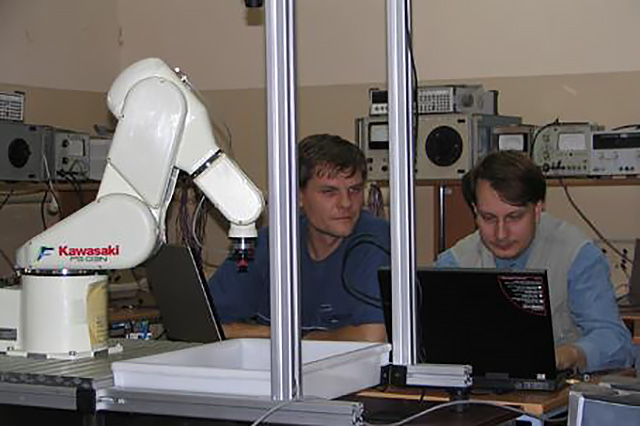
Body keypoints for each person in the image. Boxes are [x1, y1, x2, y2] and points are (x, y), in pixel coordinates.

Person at [436, 150, 634, 373]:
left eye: (514, 217)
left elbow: (614, 340)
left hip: (560, 391)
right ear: (475, 211)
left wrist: (569, 355)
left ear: (538, 209)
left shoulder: (577, 255)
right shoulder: (454, 263)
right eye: (488, 218)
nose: (501, 234)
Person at [208, 134, 390, 342]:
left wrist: (287, 339)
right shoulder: (270, 245)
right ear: (298, 196)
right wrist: (275, 335)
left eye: (354, 190)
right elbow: (205, 322)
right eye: (329, 192)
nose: (346, 203)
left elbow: (371, 337)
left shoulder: (374, 241)